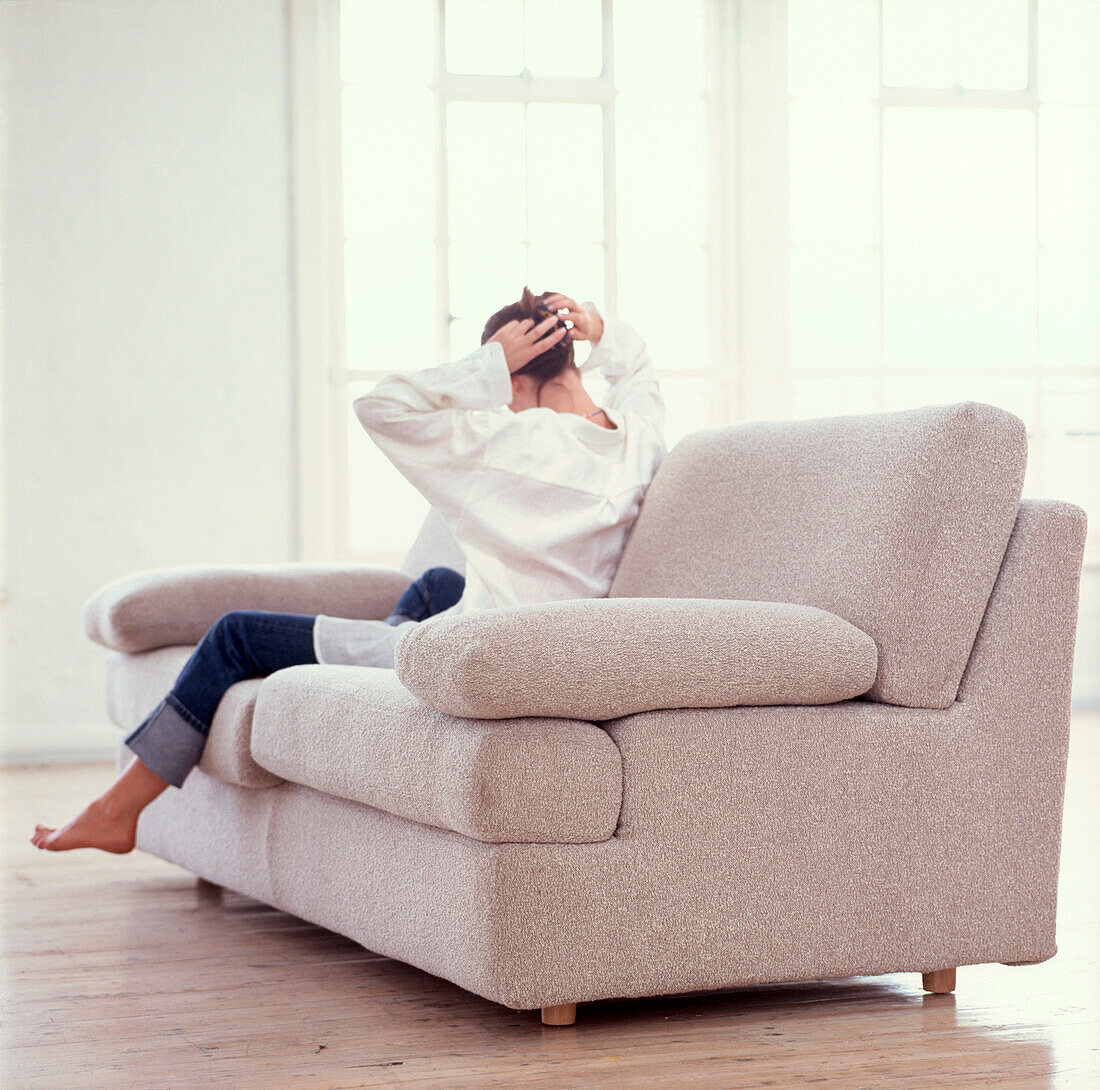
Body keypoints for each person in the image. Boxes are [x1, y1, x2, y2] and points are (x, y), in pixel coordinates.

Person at [31, 287, 666, 853]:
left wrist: (488, 364)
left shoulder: (506, 452)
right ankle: (365, 649)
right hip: (534, 640)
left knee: (233, 635)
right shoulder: (637, 441)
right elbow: (638, 372)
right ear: (572, 360)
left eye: (503, 392)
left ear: (513, 382)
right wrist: (602, 330)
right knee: (438, 585)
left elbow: (382, 407)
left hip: (464, 656)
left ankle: (118, 809)